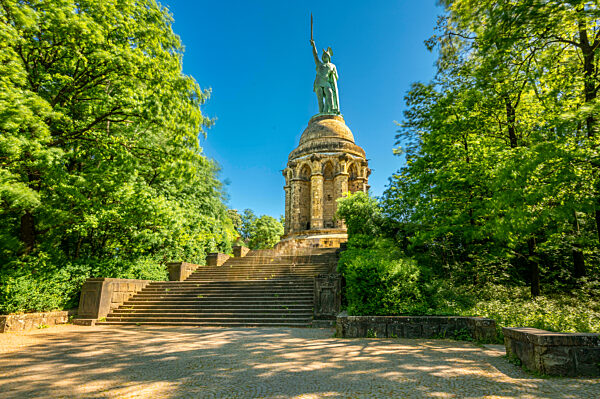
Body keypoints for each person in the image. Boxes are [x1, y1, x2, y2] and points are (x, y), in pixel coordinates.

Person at [310, 39, 340, 114]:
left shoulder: (332, 65)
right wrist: (313, 46)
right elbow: (315, 56)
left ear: (329, 57)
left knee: (329, 93)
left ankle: (332, 108)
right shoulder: (319, 64)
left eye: (326, 55)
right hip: (318, 82)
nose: (324, 56)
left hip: (327, 82)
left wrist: (333, 74)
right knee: (320, 98)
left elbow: (336, 77)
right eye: (323, 56)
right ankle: (321, 113)